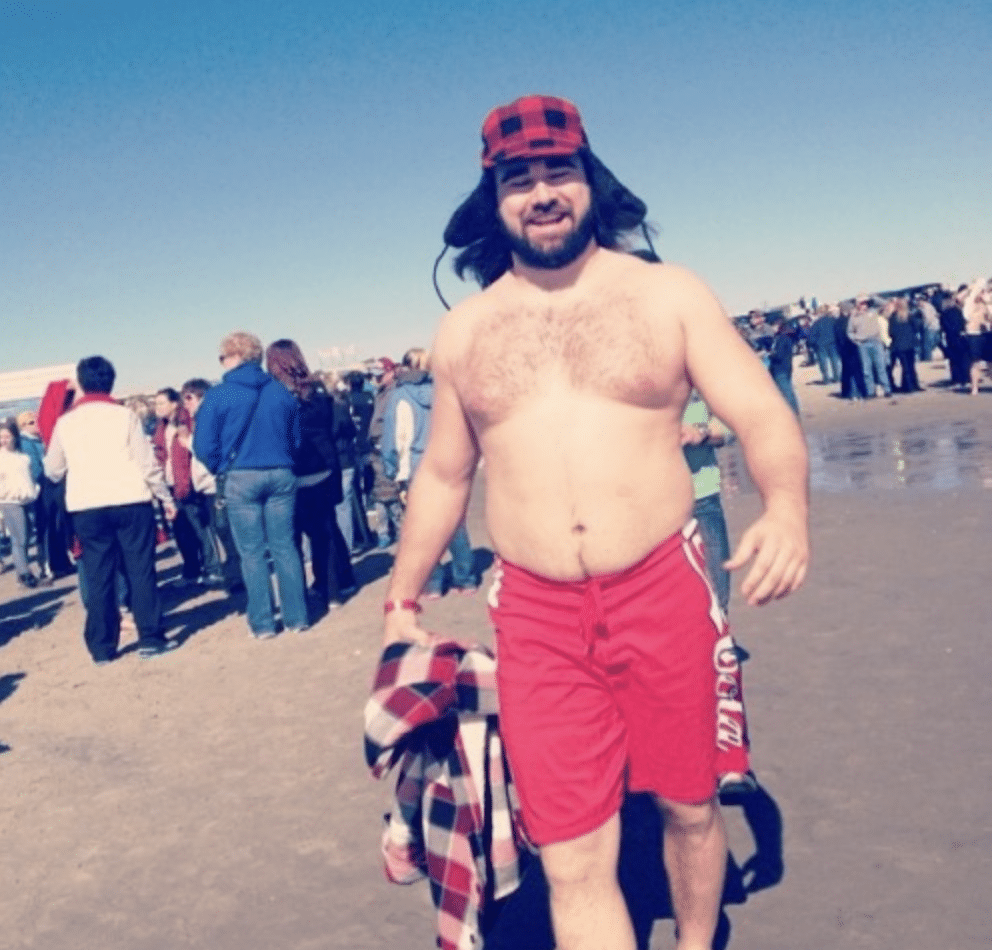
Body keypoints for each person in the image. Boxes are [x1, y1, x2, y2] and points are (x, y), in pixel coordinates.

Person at [381, 95, 809, 950]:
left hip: (662, 587)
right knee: (571, 853)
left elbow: (762, 413)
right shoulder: (464, 332)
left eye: (558, 172)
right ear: (493, 198)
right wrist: (401, 598)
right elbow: (444, 474)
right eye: (518, 179)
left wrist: (787, 507)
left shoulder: (667, 294)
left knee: (688, 805)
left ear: (590, 181)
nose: (541, 193)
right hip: (536, 614)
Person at [43, 356, 178, 664]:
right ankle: (151, 638)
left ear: (82, 382)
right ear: (111, 382)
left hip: (87, 505)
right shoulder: (125, 416)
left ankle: (102, 647)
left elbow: (53, 469)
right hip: (130, 500)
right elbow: (146, 463)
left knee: (99, 574)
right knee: (140, 570)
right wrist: (165, 498)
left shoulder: (66, 422)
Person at [193, 332, 309, 639]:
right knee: (285, 547)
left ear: (234, 357)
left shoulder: (219, 395)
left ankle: (263, 622)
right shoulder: (281, 391)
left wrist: (220, 467)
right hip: (281, 471)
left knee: (252, 553)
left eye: (222, 357)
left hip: (241, 476)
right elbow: (295, 438)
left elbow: (203, 444)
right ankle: (297, 617)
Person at [265, 339, 357, 614]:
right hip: (324, 467)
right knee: (324, 533)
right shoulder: (317, 392)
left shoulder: (275, 396)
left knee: (291, 539)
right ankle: (332, 591)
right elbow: (332, 428)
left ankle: (298, 596)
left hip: (294, 471)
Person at [381, 347, 478, 598]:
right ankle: (465, 578)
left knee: (422, 528)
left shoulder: (399, 396)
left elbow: (393, 438)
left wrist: (391, 469)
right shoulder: (443, 392)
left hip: (416, 466)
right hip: (446, 462)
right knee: (455, 522)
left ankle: (433, 582)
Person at [178, 378, 245, 595]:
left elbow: (210, 452)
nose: (185, 403)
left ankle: (238, 577)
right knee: (221, 532)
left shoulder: (210, 419)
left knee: (227, 533)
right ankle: (236, 575)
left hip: (217, 485)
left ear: (202, 397)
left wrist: (188, 442)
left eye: (189, 398)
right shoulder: (197, 420)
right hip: (206, 488)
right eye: (184, 399)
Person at [153, 387, 222, 586]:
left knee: (201, 530)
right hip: (170, 485)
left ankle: (213, 569)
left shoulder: (187, 422)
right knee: (182, 532)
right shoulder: (161, 427)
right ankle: (191, 571)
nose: (157, 407)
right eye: (156, 403)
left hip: (188, 484)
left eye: (161, 403)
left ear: (174, 404)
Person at [0, 419, 41, 589]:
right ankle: (24, 574)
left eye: (7, 436)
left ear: (14, 436)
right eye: (1, 437)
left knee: (26, 536)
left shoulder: (23, 457)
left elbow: (29, 477)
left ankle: (22, 572)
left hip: (27, 500)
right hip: (10, 501)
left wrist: (35, 489)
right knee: (20, 538)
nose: (4, 440)